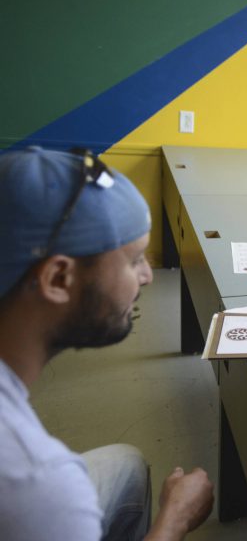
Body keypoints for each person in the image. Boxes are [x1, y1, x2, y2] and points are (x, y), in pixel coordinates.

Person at [0, 147, 214, 540]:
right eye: (134, 261)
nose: (148, 277)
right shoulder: (40, 483)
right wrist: (176, 518)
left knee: (127, 466)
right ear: (58, 279)